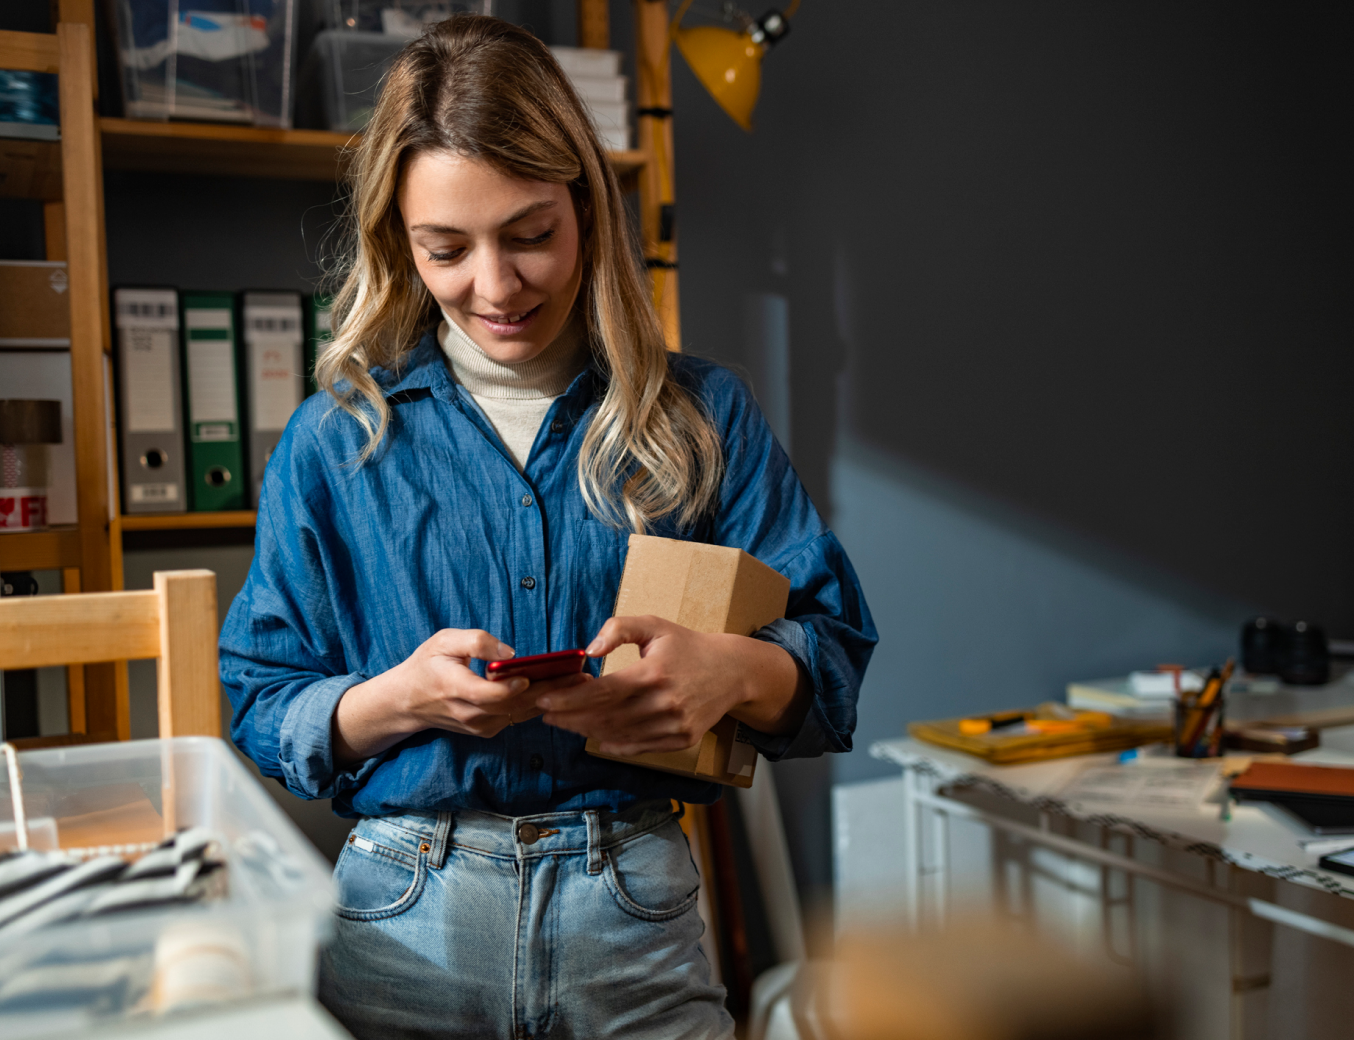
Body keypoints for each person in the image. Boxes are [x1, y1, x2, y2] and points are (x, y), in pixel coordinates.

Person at [219, 14, 875, 1040]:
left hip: (637, 901)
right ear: (401, 240)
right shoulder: (334, 440)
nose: (495, 285)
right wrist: (393, 701)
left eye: (530, 234)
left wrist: (732, 671)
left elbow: (830, 652)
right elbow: (261, 700)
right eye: (446, 249)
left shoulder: (703, 416)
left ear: (587, 209)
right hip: (403, 911)